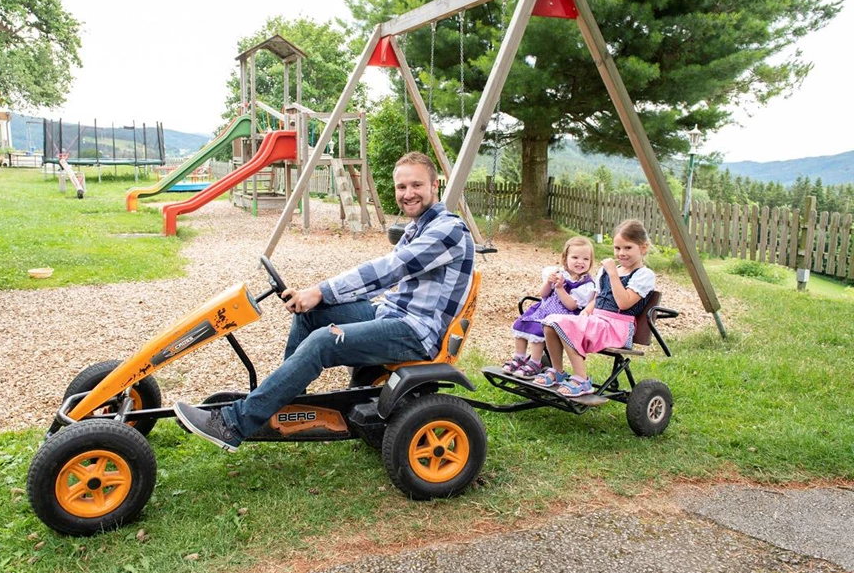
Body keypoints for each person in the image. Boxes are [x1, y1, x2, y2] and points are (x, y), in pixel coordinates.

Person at [174, 151, 476, 451]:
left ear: (434, 185)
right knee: (311, 315)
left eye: (416, 185)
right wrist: (320, 299)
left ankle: (233, 425)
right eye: (401, 187)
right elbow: (382, 281)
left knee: (323, 341)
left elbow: (389, 269)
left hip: (416, 333)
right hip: (390, 314)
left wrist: (320, 291)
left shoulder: (448, 230)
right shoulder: (419, 227)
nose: (408, 193)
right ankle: (286, 402)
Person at [533, 219, 656, 397]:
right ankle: (558, 371)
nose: (621, 253)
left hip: (617, 328)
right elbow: (598, 297)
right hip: (598, 321)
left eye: (628, 248)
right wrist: (586, 311)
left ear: (643, 248)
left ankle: (582, 379)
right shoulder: (607, 271)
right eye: (617, 248)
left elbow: (624, 303)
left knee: (566, 326)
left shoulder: (644, 275)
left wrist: (613, 274)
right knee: (550, 322)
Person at [502, 236, 595, 380]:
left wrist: (560, 288)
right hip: (545, 309)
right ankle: (519, 357)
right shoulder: (558, 273)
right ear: (565, 258)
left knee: (538, 329)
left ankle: (535, 363)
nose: (580, 262)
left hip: (564, 316)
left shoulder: (585, 284)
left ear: (591, 261)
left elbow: (571, 305)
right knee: (522, 323)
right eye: (575, 257)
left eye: (585, 259)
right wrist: (548, 283)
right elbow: (543, 294)